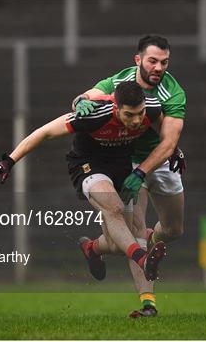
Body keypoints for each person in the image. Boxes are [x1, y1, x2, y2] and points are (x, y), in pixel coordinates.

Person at [0, 81, 167, 286]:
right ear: (116, 108)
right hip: (88, 165)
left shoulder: (152, 109)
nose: (136, 120)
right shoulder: (94, 115)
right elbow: (44, 132)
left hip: (121, 167)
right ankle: (143, 258)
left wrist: (173, 150)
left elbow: (165, 132)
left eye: (140, 114)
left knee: (116, 245)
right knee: (113, 208)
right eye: (129, 115)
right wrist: (8, 161)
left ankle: (92, 248)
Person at [71, 35, 187, 318]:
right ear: (138, 60)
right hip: (125, 159)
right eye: (153, 61)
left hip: (158, 160)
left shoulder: (173, 93)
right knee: (136, 233)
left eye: (164, 62)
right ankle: (149, 304)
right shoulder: (118, 82)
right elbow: (87, 97)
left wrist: (143, 171)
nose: (159, 67)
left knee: (172, 230)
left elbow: (169, 144)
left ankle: (93, 246)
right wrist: (79, 102)